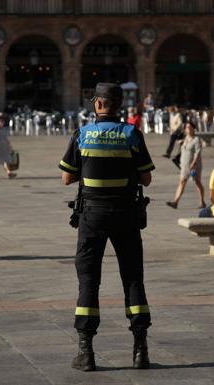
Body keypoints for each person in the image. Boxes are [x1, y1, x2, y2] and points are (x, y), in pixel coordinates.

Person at [59, 83, 155, 372]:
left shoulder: (82, 135)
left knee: (89, 280)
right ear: (117, 104)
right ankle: (140, 351)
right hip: (126, 213)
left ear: (98, 104)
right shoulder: (131, 134)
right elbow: (146, 179)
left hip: (92, 215)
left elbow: (67, 178)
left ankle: (85, 352)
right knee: (133, 278)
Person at [166, 121, 205, 209]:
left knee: (197, 182)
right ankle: (175, 202)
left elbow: (197, 153)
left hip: (194, 166)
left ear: (194, 128)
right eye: (187, 128)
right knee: (182, 182)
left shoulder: (197, 140)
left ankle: (202, 201)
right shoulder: (186, 138)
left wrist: (193, 164)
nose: (188, 129)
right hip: (184, 165)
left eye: (190, 127)